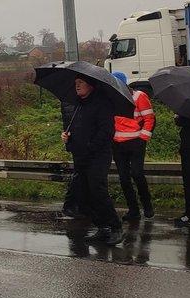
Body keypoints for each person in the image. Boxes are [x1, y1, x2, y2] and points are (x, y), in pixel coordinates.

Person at [60, 75, 123, 245]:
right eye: (75, 83)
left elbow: (106, 131)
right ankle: (102, 227)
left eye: (80, 83)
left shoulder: (102, 104)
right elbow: (75, 127)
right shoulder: (78, 104)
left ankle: (115, 227)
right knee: (84, 194)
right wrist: (67, 137)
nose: (77, 86)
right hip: (80, 156)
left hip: (98, 156)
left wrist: (90, 146)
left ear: (90, 85)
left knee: (98, 191)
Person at [110, 72, 156, 221]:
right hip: (117, 144)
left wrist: (143, 138)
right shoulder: (111, 98)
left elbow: (149, 118)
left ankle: (147, 205)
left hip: (136, 142)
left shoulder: (139, 96)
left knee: (137, 174)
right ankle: (133, 210)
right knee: (124, 178)